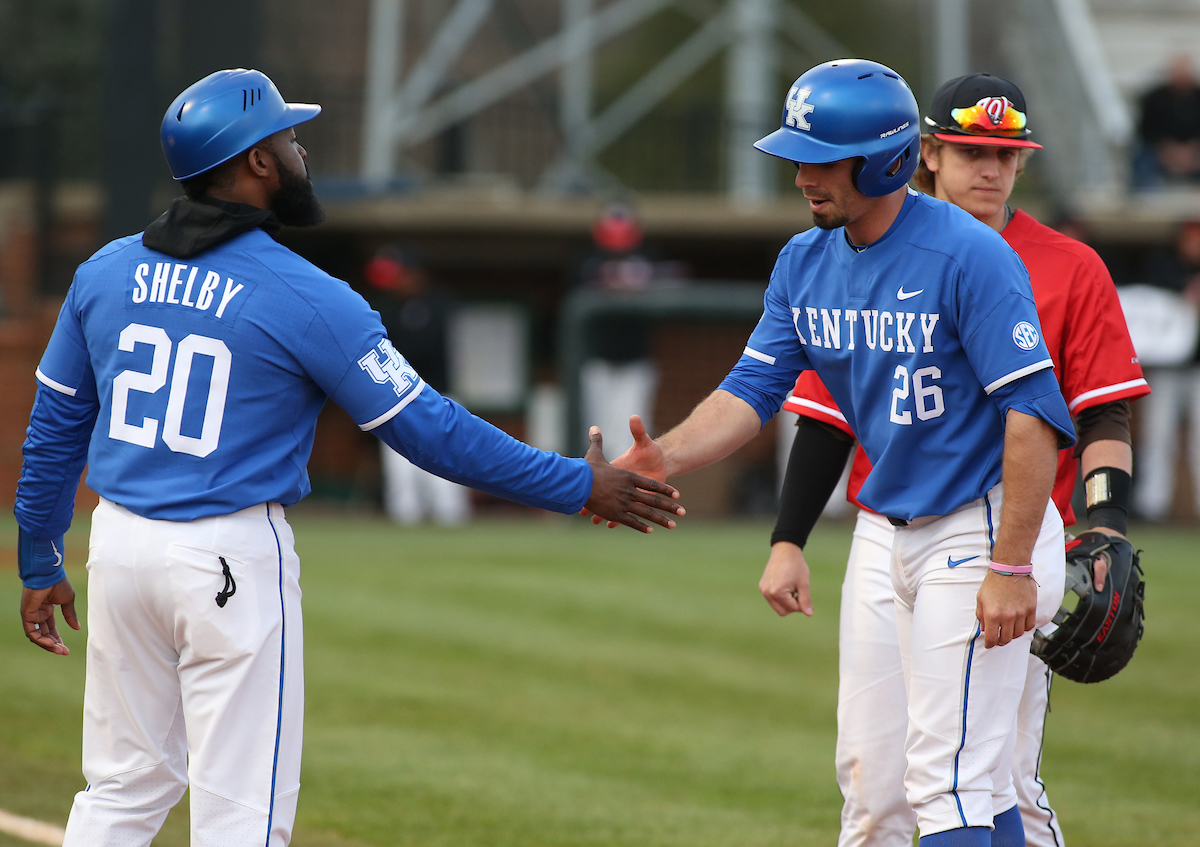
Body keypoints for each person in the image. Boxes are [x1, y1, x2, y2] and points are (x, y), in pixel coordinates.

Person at [13, 68, 683, 847]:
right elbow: (429, 430)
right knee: (242, 814)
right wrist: (577, 482)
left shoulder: (104, 272)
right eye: (288, 140)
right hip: (227, 553)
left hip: (120, 548)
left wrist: (38, 559)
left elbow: (53, 432)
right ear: (257, 163)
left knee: (122, 788)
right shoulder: (307, 294)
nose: (300, 153)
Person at [600, 59, 1075, 846]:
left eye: (821, 159)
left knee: (951, 780)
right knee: (874, 786)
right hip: (888, 527)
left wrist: (1013, 564)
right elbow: (751, 391)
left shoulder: (969, 256)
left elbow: (1032, 415)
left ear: (887, 159)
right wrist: (665, 457)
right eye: (798, 157)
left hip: (980, 523)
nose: (801, 177)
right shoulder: (804, 261)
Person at [771, 73, 1150, 847]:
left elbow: (1104, 407)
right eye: (973, 150)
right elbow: (824, 418)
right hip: (886, 529)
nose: (991, 168)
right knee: (877, 791)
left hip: (1002, 531)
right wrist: (789, 536)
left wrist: (1105, 523)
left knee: (991, 778)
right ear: (927, 155)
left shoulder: (1071, 267)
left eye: (1006, 155)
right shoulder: (866, 246)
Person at [363, 244, 471, 525]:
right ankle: (405, 523)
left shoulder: (439, 305)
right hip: (396, 397)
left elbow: (425, 348)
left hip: (439, 394)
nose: (396, 284)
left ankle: (452, 522)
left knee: (445, 467)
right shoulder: (385, 309)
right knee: (401, 469)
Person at [1131, 218, 1200, 520]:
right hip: (1167, 368)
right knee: (1159, 436)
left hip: (1197, 369)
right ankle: (1152, 506)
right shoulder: (1164, 268)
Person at [1132, 54, 1200, 189]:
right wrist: (1166, 149)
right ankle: (1146, 198)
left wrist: (1193, 151)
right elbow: (1145, 130)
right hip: (1160, 151)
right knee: (1142, 157)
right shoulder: (1153, 98)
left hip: (1195, 152)